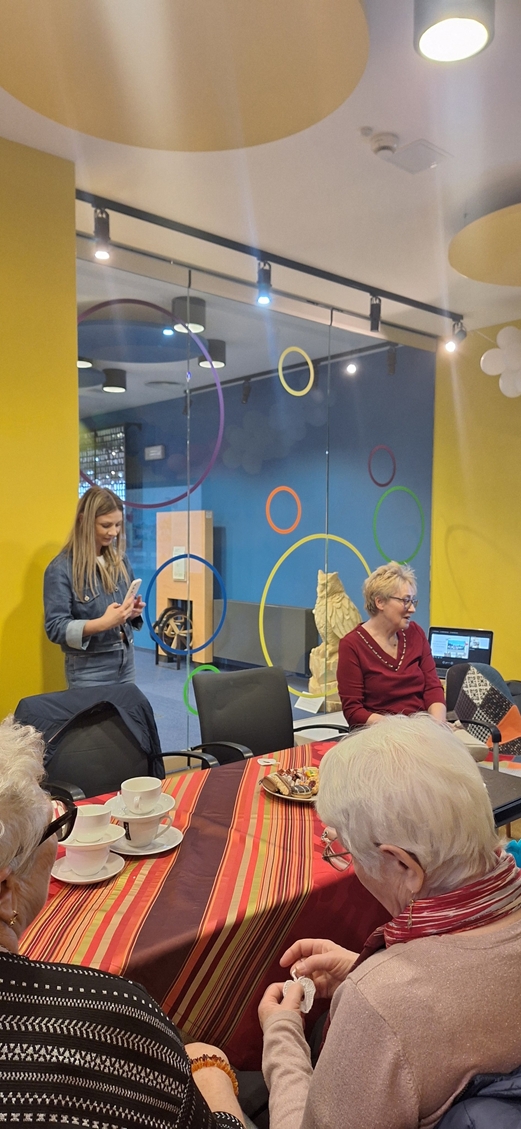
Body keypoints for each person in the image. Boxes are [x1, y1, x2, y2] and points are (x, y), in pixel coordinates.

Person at [259, 714, 521, 1129]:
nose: (351, 864)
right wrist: (360, 971)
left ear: (402, 865)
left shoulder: (382, 1005)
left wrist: (282, 1038)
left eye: (347, 850)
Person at [0, 715, 245, 1129]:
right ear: (5, 890)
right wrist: (212, 1073)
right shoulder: (113, 1022)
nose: (58, 841)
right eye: (53, 826)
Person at [44, 486, 145, 687]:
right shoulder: (61, 569)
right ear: (84, 520)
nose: (114, 532)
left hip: (126, 660)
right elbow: (55, 628)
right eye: (106, 525)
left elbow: (120, 613)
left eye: (118, 525)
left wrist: (130, 613)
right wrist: (103, 623)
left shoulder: (120, 560)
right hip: (89, 669)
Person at [336, 561, 446, 727]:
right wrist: (402, 727)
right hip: (381, 732)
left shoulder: (415, 633)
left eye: (413, 601)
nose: (412, 609)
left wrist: (438, 725)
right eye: (405, 601)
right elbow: (353, 711)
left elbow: (433, 688)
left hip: (423, 728)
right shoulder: (352, 645)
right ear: (380, 602)